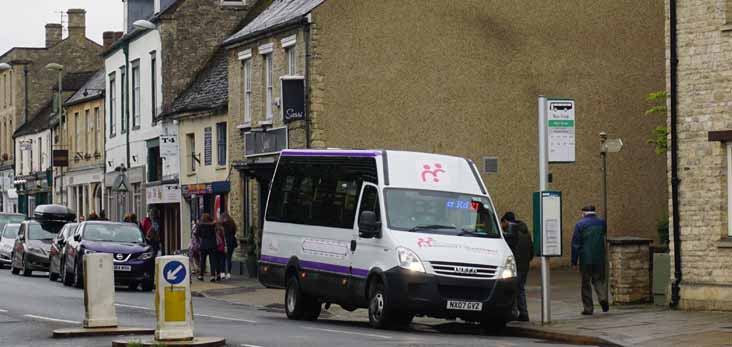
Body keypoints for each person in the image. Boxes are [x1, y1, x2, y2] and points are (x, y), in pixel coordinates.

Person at [571, 205, 609, 315]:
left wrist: (574, 261)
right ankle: (602, 298)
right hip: (599, 257)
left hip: (585, 259)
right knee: (599, 280)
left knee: (586, 283)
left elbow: (576, 244)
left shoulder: (580, 224)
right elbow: (603, 234)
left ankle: (588, 308)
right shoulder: (602, 222)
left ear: (583, 213)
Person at [501, 212, 534, 321]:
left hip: (516, 266)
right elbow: (531, 252)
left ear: (506, 221)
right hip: (525, 266)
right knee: (519, 289)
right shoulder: (526, 232)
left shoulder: (512, 233)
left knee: (515, 290)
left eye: (503, 223)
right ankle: (521, 313)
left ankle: (520, 313)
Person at [197, 213, 218, 282]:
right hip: (212, 244)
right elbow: (217, 231)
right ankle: (212, 276)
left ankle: (201, 275)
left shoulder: (200, 225)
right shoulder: (213, 225)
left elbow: (198, 234)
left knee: (202, 261)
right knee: (212, 261)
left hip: (203, 245)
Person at [218, 211, 238, 279]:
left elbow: (219, 233)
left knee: (222, 258)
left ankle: (222, 272)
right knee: (229, 258)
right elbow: (234, 232)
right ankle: (229, 273)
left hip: (224, 242)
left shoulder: (220, 224)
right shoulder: (232, 223)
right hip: (231, 242)